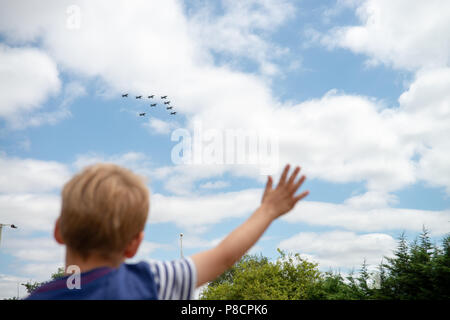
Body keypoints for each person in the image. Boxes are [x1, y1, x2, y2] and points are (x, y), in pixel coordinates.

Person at [26, 163, 308, 299]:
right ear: (134, 244)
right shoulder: (153, 282)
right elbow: (224, 256)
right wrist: (268, 211)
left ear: (58, 230)